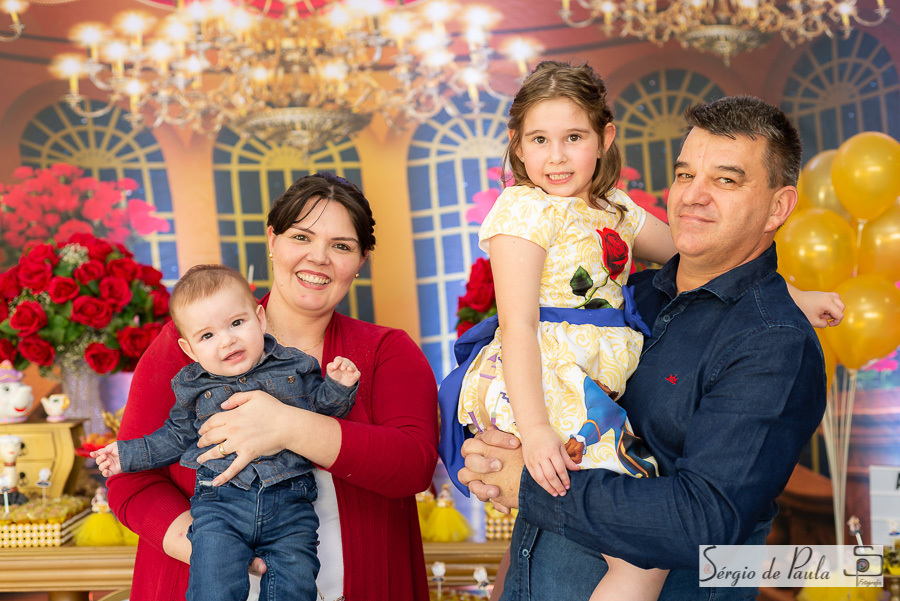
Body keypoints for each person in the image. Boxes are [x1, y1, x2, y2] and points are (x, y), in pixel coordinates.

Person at [439, 62, 842, 601]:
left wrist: (530, 487)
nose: (694, 195)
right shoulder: (640, 296)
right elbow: (522, 332)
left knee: (638, 568)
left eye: (725, 179)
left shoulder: (774, 342)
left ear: (778, 207)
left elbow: (705, 523)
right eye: (683, 174)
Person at [107, 172, 439, 601]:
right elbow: (132, 482)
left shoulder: (386, 352)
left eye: (341, 246)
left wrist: (286, 425)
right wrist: (215, 552)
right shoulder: (188, 344)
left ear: (362, 261)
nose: (318, 258)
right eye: (301, 237)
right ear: (272, 240)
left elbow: (413, 467)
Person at [94, 264, 361, 601]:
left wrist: (338, 387)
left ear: (260, 320)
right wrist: (125, 455)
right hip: (220, 504)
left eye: (237, 323)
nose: (228, 339)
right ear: (190, 350)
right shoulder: (192, 387)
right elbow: (174, 438)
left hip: (291, 502)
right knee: (213, 582)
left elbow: (319, 414)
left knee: (295, 582)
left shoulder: (294, 367)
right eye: (207, 335)